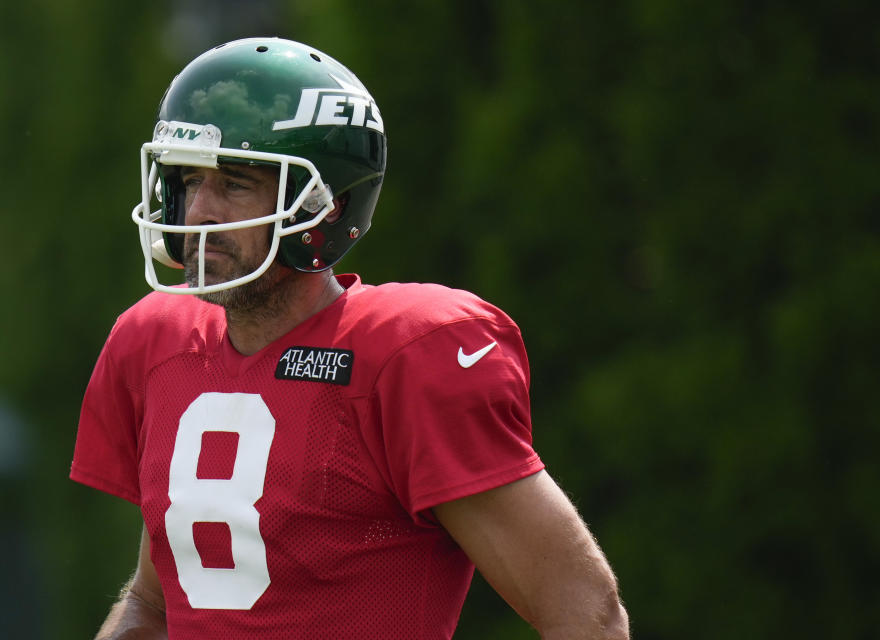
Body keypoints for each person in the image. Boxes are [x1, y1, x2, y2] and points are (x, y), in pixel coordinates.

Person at [71, 37, 629, 640]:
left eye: (234, 184)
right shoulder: (154, 342)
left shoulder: (404, 355)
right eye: (186, 180)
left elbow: (585, 610)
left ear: (325, 206)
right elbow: (154, 608)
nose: (199, 212)